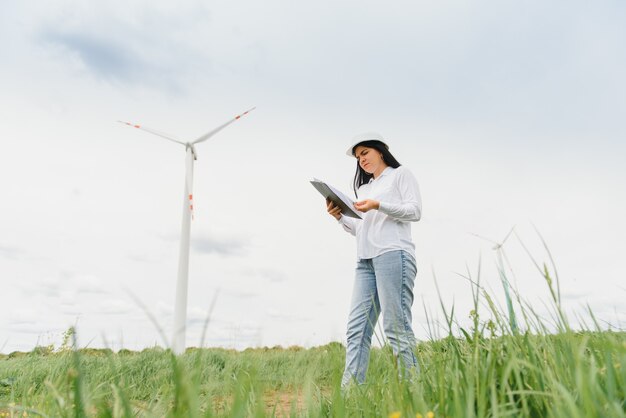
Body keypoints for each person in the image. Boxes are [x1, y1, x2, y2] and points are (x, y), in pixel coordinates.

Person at [326, 132, 422, 387]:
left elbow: (415, 211)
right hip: (365, 261)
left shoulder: (400, 175)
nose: (361, 160)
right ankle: (349, 401)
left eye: (365, 153)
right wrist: (339, 217)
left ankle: (413, 394)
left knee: (396, 329)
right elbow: (362, 229)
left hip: (393, 254)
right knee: (357, 331)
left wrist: (379, 205)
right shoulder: (365, 188)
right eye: (358, 157)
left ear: (380, 150)